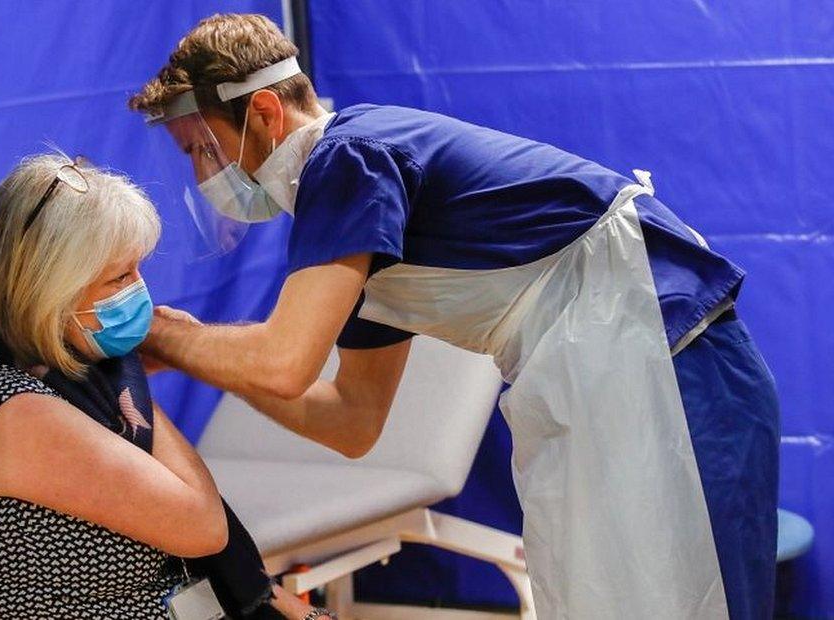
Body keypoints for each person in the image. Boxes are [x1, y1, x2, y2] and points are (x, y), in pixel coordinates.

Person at [129, 13, 781, 620]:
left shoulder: (347, 158)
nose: (202, 173)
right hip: (612, 375)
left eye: (202, 149)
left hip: (669, 361)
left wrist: (158, 331)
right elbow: (351, 421)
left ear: (265, 113)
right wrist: (204, 356)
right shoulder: (357, 222)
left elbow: (282, 360)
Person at [0, 153, 334, 619]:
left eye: (137, 270)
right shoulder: (15, 409)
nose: (140, 292)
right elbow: (203, 527)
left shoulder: (67, 381)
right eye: (119, 277)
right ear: (47, 294)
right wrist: (132, 378)